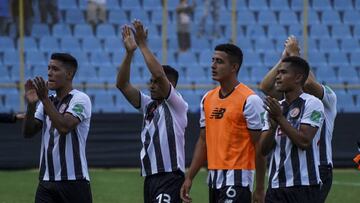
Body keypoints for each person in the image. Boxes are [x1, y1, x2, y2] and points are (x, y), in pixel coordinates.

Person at [180, 43, 266, 203]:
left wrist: (260, 189)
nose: (213, 65)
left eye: (219, 61)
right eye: (212, 60)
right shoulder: (207, 98)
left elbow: (260, 146)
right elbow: (203, 140)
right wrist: (189, 177)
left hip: (238, 179)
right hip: (214, 179)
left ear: (234, 67)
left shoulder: (250, 99)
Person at [116, 20, 188, 203]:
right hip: (150, 177)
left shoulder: (177, 104)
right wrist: (129, 53)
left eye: (156, 82)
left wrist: (142, 45)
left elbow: (158, 74)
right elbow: (122, 85)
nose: (152, 85)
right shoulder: (149, 105)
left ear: (169, 84)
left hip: (170, 176)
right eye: (150, 82)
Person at [259, 36, 337, 203]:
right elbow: (265, 86)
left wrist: (294, 53)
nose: (278, 77)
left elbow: (307, 83)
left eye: (284, 72)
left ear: (299, 77)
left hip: (317, 168)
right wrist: (284, 59)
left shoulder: (326, 98)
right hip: (280, 179)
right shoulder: (280, 104)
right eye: (279, 73)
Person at [22, 53, 92, 203]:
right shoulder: (48, 101)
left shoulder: (80, 99)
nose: (49, 73)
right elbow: (28, 132)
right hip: (46, 181)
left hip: (74, 181)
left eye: (55, 69)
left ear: (69, 74)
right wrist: (32, 104)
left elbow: (64, 127)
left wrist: (44, 98)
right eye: (48, 68)